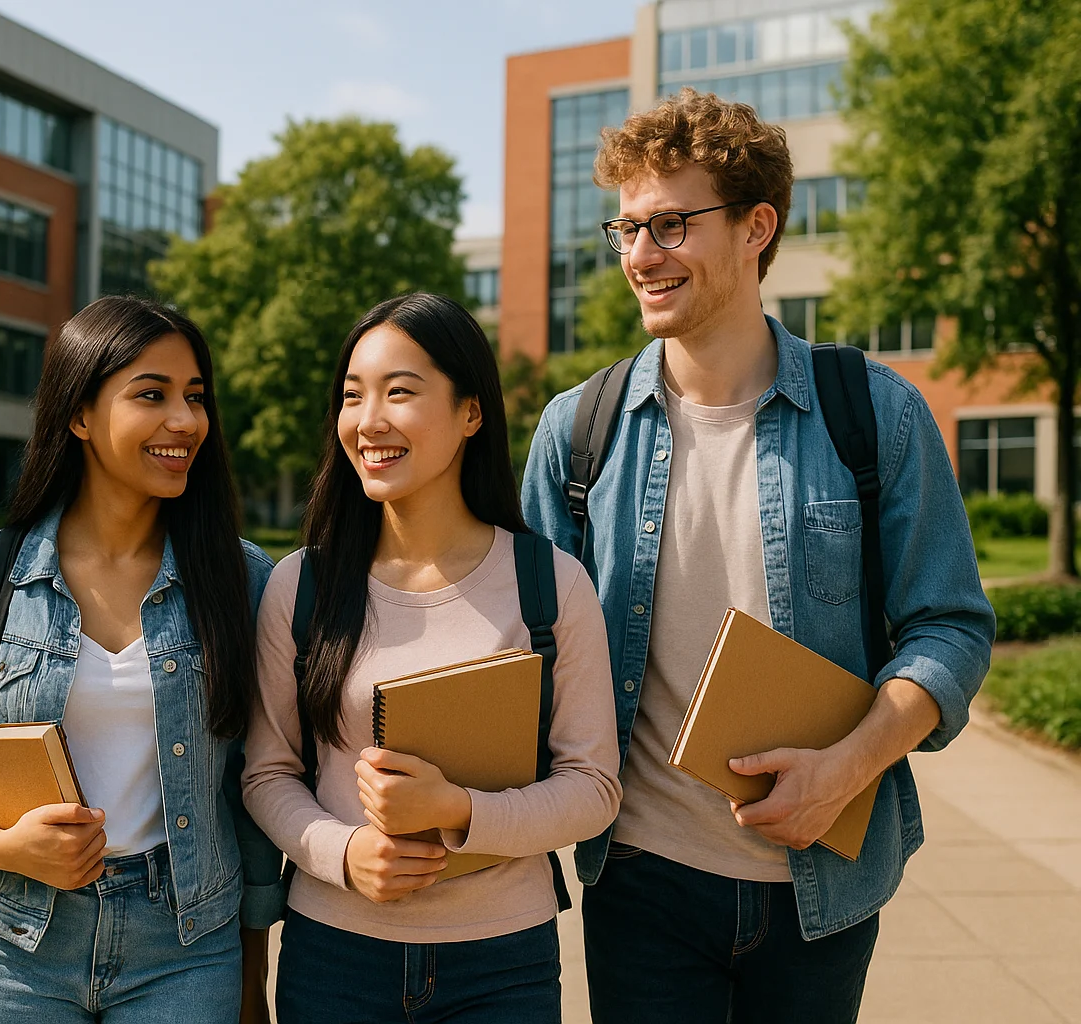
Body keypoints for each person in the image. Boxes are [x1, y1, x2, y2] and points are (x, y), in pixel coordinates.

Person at [521, 88, 996, 1024]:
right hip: (640, 878)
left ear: (756, 227)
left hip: (823, 886)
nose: (638, 256)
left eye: (669, 225)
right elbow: (529, 648)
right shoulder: (577, 433)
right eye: (627, 226)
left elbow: (950, 629)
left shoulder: (875, 413)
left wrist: (848, 768)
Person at [0, 295, 283, 1023]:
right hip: (11, 943)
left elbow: (250, 788)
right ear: (80, 416)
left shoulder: (241, 579)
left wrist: (253, 976)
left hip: (188, 943)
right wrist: (1, 845)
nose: (186, 421)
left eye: (195, 397)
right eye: (152, 395)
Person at [244, 292, 622, 1024]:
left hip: (502, 961)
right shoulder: (303, 586)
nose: (369, 421)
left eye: (400, 392)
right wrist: (343, 851)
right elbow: (267, 773)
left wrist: (459, 811)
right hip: (335, 956)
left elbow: (594, 786)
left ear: (471, 413)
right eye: (352, 397)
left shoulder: (549, 584)